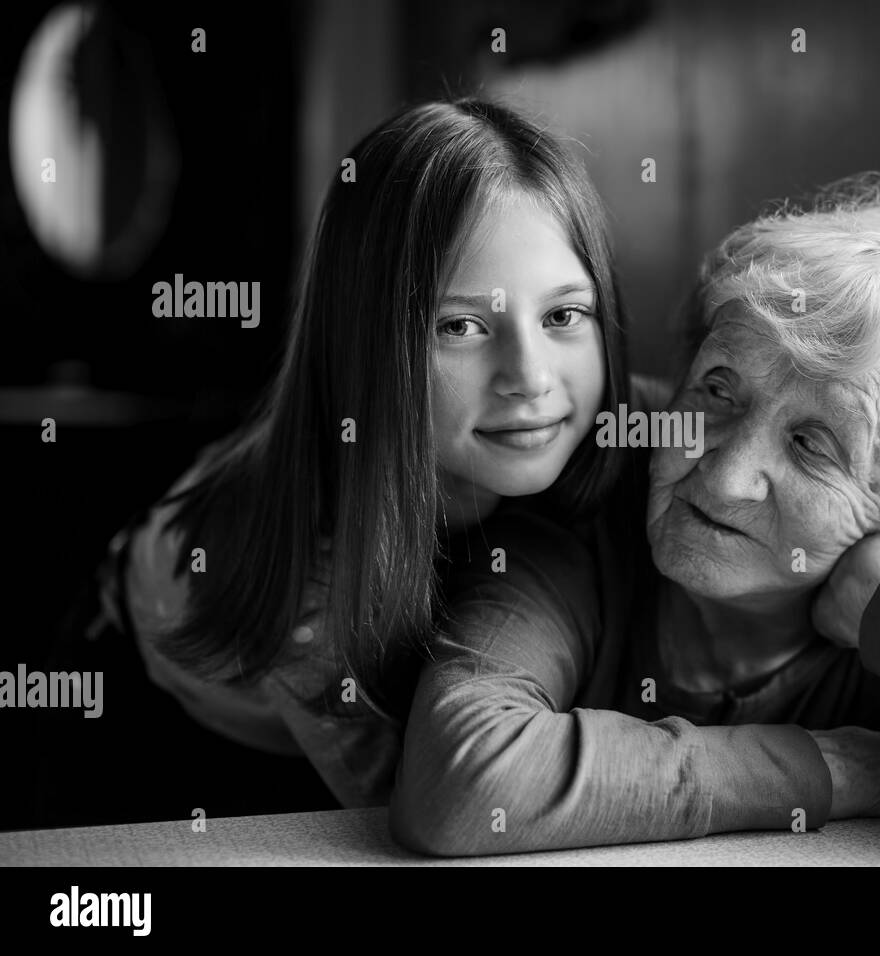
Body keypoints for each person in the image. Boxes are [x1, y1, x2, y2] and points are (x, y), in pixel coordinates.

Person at [391, 174, 880, 865]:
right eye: (718, 391)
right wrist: (836, 770)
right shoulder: (594, 501)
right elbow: (462, 781)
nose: (726, 474)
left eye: (813, 444)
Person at [89, 98, 633, 811]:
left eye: (563, 315)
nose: (530, 378)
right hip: (154, 721)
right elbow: (465, 813)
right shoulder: (312, 588)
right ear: (365, 345)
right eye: (461, 325)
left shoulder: (610, 435)